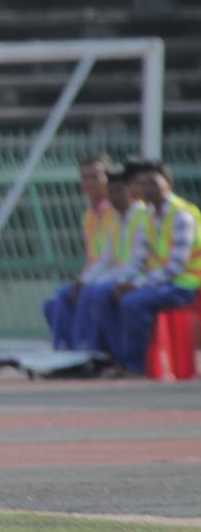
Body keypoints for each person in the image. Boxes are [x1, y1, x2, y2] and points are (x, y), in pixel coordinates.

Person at [88, 160, 200, 374]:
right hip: (159, 283)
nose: (147, 188)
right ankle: (114, 360)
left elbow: (175, 267)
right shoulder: (148, 216)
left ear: (168, 183)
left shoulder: (181, 215)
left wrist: (137, 285)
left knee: (132, 303)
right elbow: (139, 260)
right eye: (142, 183)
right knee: (108, 295)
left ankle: (136, 365)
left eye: (153, 182)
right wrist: (125, 283)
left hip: (185, 285)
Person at [42, 154, 116, 349]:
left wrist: (85, 282)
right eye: (84, 177)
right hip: (95, 276)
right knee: (52, 304)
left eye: (95, 176)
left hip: (112, 276)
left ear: (108, 179)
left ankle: (85, 349)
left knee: (79, 296)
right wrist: (81, 280)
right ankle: (66, 349)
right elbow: (92, 258)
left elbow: (113, 258)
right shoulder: (89, 216)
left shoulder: (117, 211)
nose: (89, 182)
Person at [74, 163, 147, 354]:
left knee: (96, 294)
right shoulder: (114, 219)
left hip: (137, 278)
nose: (114, 197)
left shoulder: (143, 216)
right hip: (118, 276)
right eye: (111, 192)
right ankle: (77, 349)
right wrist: (84, 280)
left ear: (131, 190)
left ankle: (111, 354)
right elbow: (105, 259)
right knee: (68, 296)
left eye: (118, 191)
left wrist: (105, 282)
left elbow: (138, 262)